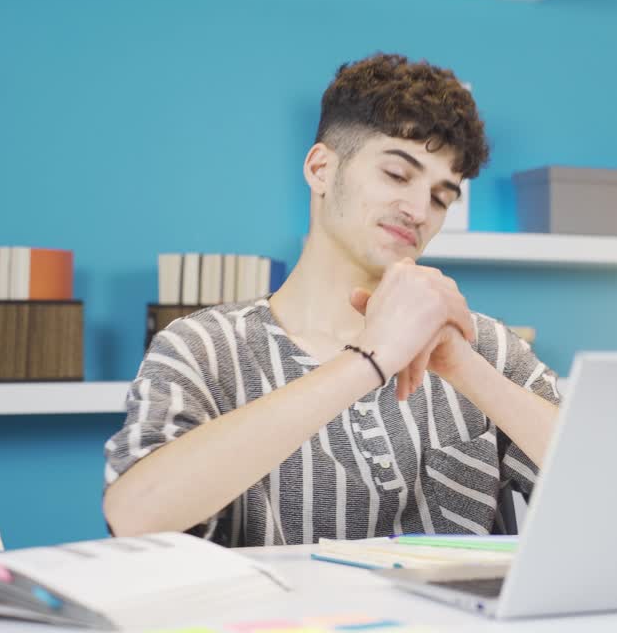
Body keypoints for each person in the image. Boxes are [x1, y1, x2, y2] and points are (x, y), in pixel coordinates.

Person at [102, 53, 562, 546]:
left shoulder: (485, 348)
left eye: (440, 197)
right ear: (321, 169)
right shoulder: (204, 348)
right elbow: (134, 518)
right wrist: (368, 359)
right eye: (397, 175)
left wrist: (464, 368)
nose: (417, 210)